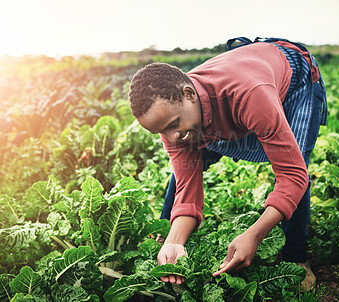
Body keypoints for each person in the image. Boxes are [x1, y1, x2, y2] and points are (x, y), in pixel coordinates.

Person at [128, 37, 328, 291]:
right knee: (183, 172)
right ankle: (166, 239)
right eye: (161, 132)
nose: (172, 138)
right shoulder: (175, 115)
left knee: (295, 161)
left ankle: (296, 255)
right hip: (230, 96)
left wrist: (254, 235)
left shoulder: (249, 96)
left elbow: (293, 177)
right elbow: (187, 187)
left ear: (189, 94)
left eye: (173, 125)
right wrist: (175, 241)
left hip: (293, 82)